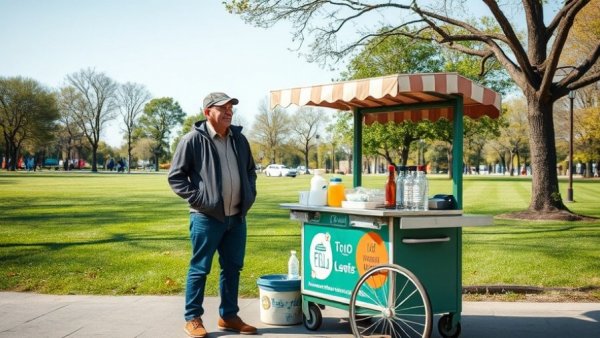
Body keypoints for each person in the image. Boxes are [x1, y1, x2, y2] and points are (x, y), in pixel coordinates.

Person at [168, 92, 258, 338]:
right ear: (208, 112)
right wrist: (202, 201)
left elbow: (251, 171)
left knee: (232, 268)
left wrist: (249, 193)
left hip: (237, 218)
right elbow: (176, 178)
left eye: (231, 108)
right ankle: (193, 319)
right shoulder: (192, 141)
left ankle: (228, 316)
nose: (229, 112)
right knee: (200, 269)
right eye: (223, 108)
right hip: (206, 218)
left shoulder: (239, 139)